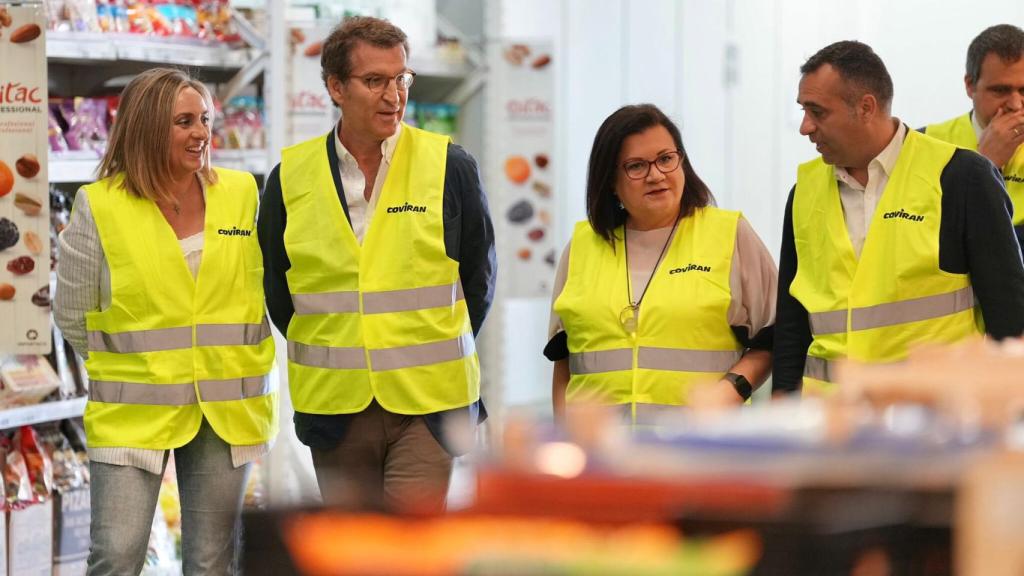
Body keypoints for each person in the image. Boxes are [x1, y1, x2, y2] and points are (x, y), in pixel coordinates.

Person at [258, 16, 495, 513]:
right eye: (375, 81)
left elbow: (478, 280)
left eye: (401, 78)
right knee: (350, 551)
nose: (394, 95)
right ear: (336, 87)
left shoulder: (449, 166)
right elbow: (279, 293)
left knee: (409, 550)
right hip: (336, 406)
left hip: (428, 406)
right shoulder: (289, 178)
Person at [54, 68, 276, 575]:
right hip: (134, 413)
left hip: (228, 405)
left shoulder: (242, 192)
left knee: (212, 560)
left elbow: (257, 290)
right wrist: (138, 366)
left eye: (204, 119)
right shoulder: (101, 205)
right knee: (117, 554)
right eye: (183, 121)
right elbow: (72, 313)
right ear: (149, 127)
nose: (201, 133)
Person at [774, 41, 1024, 394]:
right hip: (831, 424)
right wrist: (784, 415)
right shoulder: (803, 192)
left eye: (817, 112)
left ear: (865, 108)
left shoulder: (961, 177)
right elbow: (792, 324)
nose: (805, 127)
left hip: (934, 424)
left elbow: (1009, 318)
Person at [544, 104, 777, 426]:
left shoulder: (728, 233)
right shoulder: (583, 245)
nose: (656, 175)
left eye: (666, 159)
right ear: (610, 179)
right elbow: (565, 359)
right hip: (605, 456)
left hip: (701, 448)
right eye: (636, 166)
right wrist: (566, 438)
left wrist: (732, 389)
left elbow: (775, 336)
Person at [924, 24, 1024, 244]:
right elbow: (919, 236)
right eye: (1000, 90)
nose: (1016, 105)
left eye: (1023, 91)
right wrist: (984, 166)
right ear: (970, 85)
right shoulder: (923, 143)